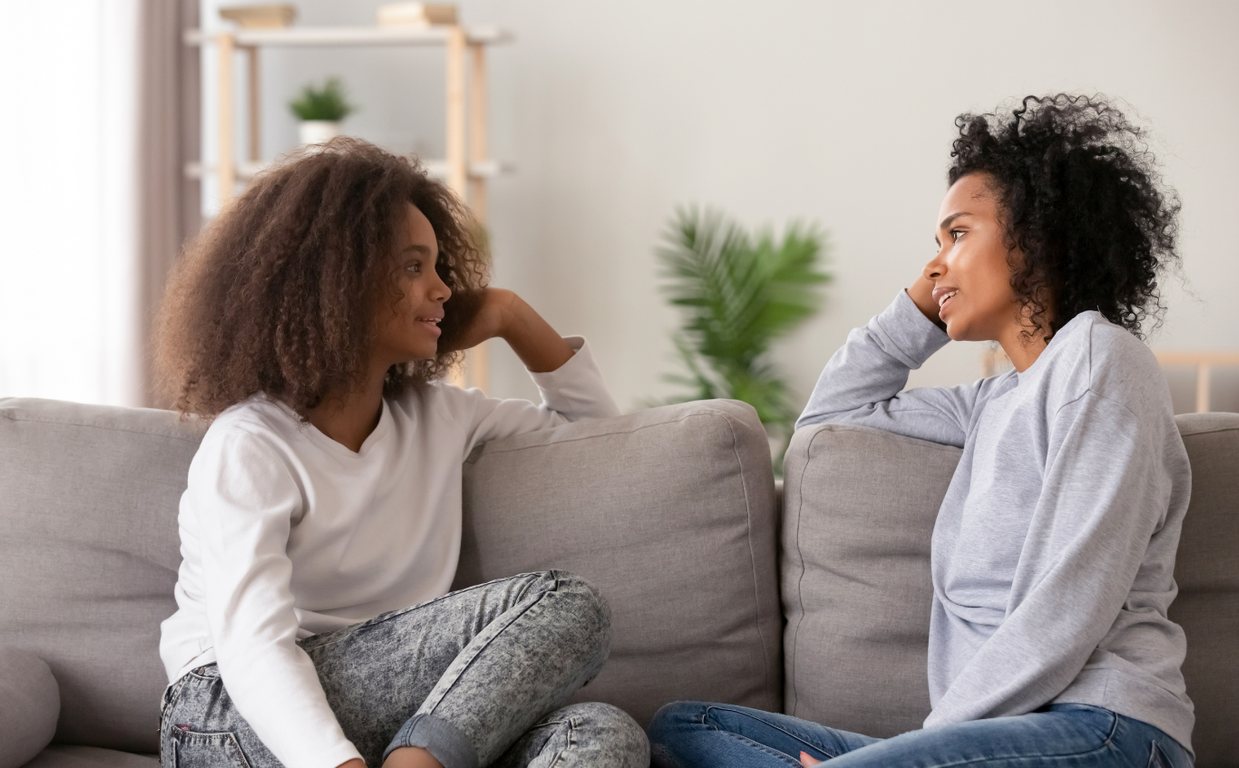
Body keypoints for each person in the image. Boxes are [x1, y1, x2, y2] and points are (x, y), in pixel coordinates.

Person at [647, 94, 1194, 768]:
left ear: (1036, 237)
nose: (935, 265)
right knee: (685, 728)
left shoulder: (1099, 358)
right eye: (934, 244)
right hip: (980, 740)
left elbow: (1069, 603)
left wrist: (922, 750)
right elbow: (829, 420)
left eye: (957, 234)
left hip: (1103, 729)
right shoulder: (988, 403)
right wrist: (917, 310)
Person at [153, 138, 649, 768]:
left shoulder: (441, 414)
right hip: (226, 716)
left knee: (599, 733)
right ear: (334, 282)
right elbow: (254, 648)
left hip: (386, 715)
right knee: (568, 604)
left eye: (440, 267)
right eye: (413, 267)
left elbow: (603, 443)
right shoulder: (249, 444)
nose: (443, 290)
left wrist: (510, 316)